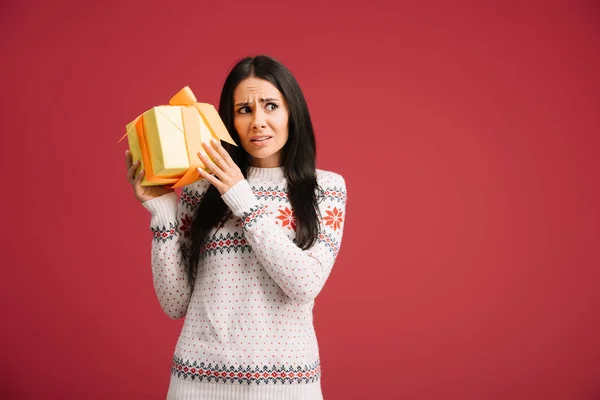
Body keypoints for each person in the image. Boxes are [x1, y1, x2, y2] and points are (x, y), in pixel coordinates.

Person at [125, 55, 347, 400]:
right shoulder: (200, 189)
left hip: (287, 387)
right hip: (197, 382)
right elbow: (175, 302)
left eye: (271, 105)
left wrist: (241, 196)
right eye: (244, 110)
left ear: (293, 113)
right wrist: (163, 213)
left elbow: (304, 284)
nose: (258, 121)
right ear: (228, 120)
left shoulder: (325, 189)